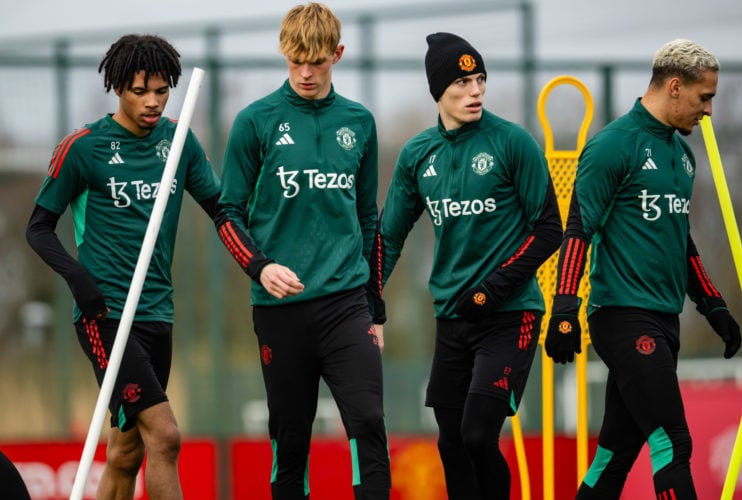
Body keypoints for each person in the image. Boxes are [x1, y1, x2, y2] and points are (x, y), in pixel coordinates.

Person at [543, 38, 742, 499]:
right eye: (703, 97)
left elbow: (681, 242)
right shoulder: (613, 147)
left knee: (614, 454)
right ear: (675, 87)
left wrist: (713, 306)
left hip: (664, 319)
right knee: (672, 440)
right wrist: (566, 309)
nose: (708, 110)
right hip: (622, 317)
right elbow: (579, 230)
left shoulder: (683, 156)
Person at [367, 32, 562, 500]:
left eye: (480, 80)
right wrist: (368, 299)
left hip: (509, 314)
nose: (475, 91)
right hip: (451, 319)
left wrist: (493, 288)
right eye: (462, 82)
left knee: (478, 434)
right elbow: (389, 235)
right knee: (452, 444)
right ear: (439, 91)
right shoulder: (418, 155)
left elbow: (549, 229)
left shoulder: (512, 142)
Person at [26, 34, 220, 499]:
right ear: (117, 87)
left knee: (126, 453)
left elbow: (222, 207)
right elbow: (38, 228)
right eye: (139, 91)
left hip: (158, 314)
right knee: (166, 436)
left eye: (161, 90)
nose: (152, 102)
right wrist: (79, 281)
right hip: (106, 316)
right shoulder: (84, 147)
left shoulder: (179, 142)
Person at [214, 3, 390, 499]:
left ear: (338, 53)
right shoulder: (256, 122)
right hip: (279, 310)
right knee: (290, 441)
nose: (306, 73)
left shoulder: (360, 122)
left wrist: (374, 301)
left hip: (346, 303)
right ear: (283, 54)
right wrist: (260, 266)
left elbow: (367, 217)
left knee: (369, 422)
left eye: (316, 60)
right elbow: (228, 213)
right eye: (296, 61)